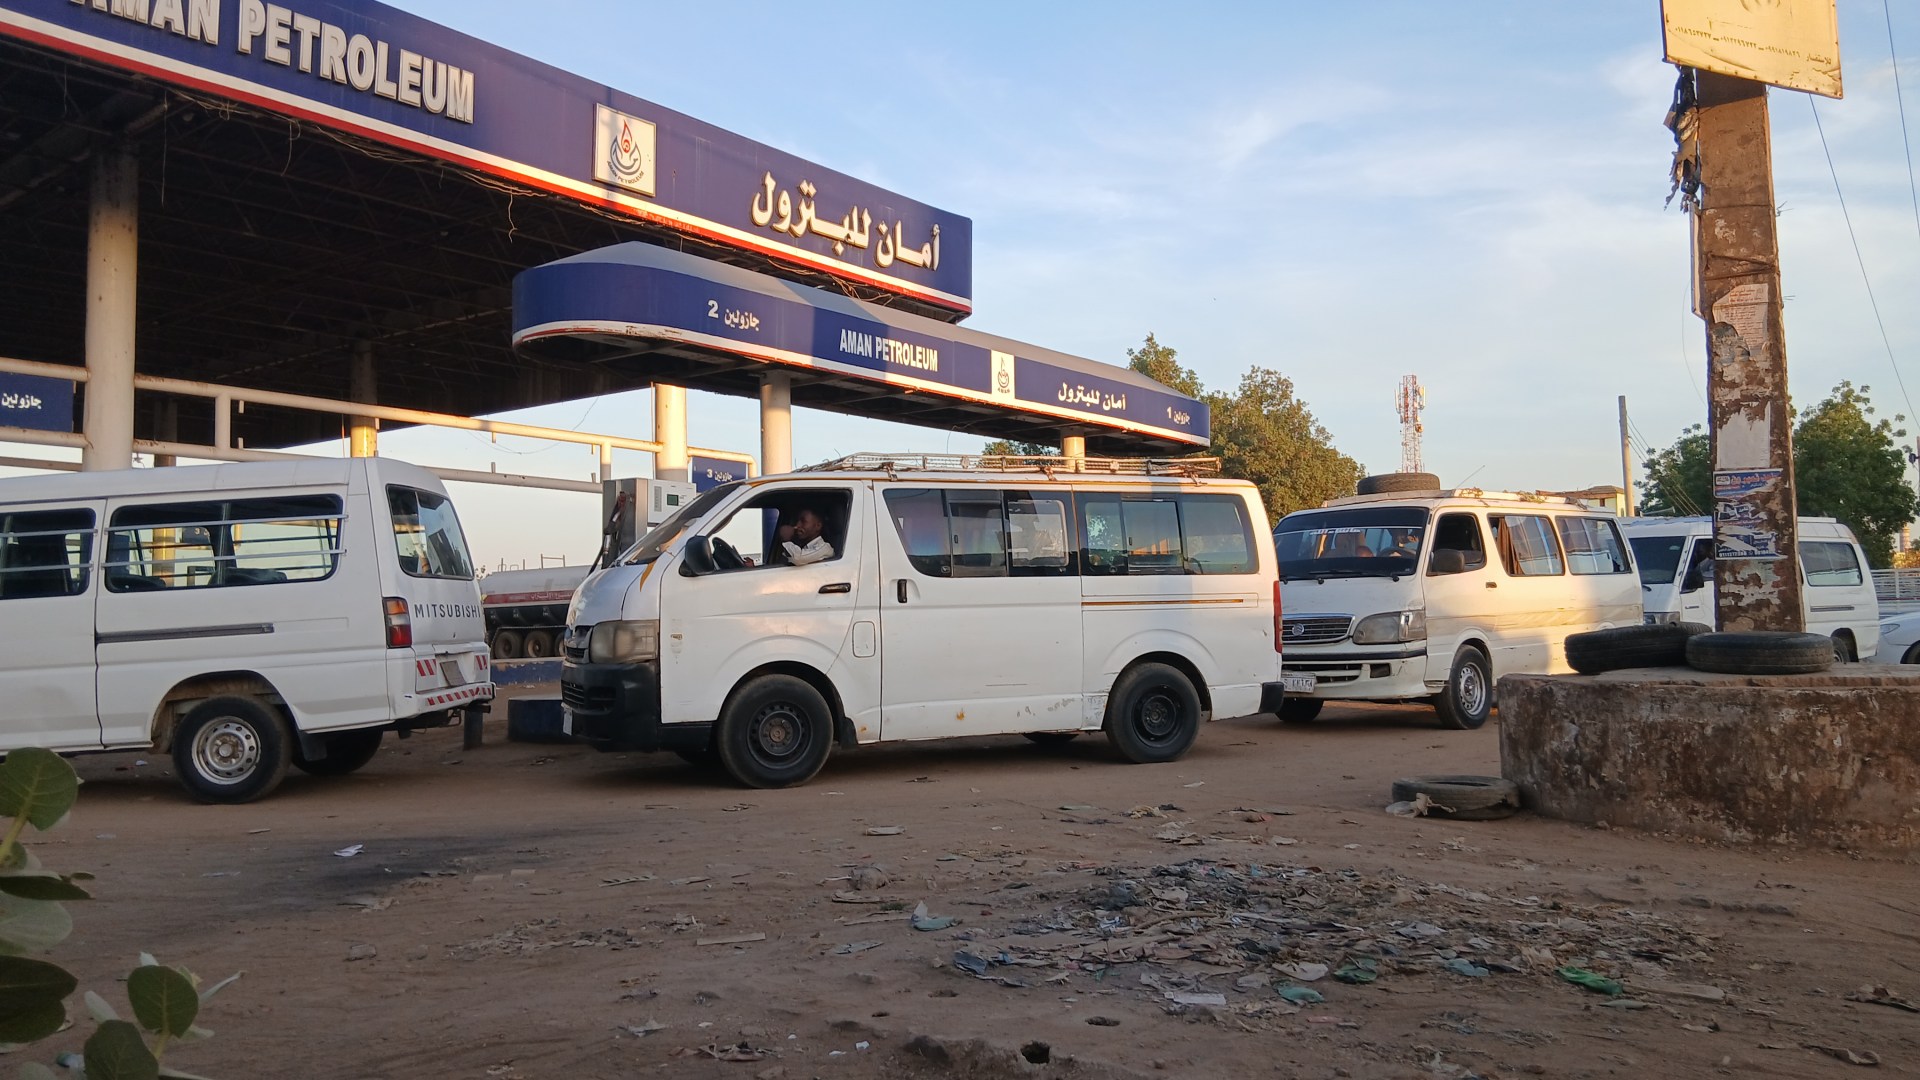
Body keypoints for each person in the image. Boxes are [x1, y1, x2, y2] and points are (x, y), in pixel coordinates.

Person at [769, 505, 833, 566]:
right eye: (797, 521)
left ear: (818, 526)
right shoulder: (800, 544)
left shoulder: (825, 548)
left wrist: (786, 540)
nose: (797, 525)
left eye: (803, 521)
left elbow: (798, 559)